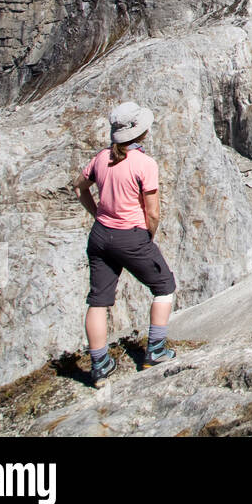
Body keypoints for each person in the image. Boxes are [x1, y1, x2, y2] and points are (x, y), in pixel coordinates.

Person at [71, 101, 177, 385]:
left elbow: (78, 187)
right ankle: (155, 350)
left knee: (98, 300)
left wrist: (96, 213)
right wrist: (147, 235)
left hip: (100, 235)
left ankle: (100, 365)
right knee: (164, 286)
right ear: (140, 132)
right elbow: (152, 210)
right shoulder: (144, 164)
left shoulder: (101, 158)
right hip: (131, 235)